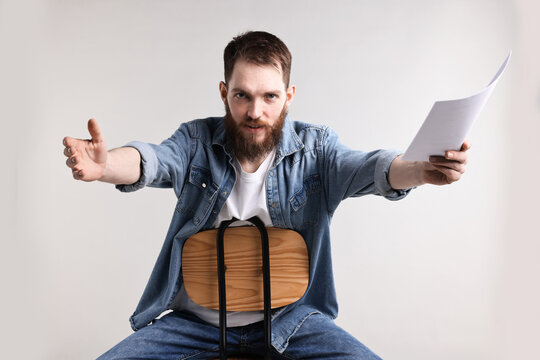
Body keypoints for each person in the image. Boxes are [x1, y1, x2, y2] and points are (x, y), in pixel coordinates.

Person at [63, 31, 470, 360]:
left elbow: (369, 167)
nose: (255, 111)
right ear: (224, 92)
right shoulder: (196, 141)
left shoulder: (317, 150)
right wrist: (105, 166)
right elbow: (152, 159)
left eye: (269, 96)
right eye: (242, 95)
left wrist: (419, 170)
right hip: (195, 323)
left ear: (288, 96)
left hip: (291, 322)